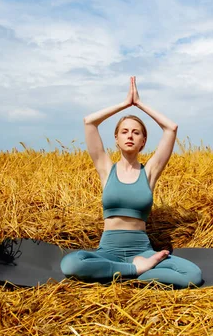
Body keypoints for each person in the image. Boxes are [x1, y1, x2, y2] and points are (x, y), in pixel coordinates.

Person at [60, 77, 203, 288]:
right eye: (124, 132)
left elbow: (171, 128)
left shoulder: (150, 172)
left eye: (136, 133)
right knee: (71, 264)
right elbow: (90, 122)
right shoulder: (106, 169)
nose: (130, 136)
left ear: (143, 141)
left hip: (142, 251)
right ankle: (136, 272)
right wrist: (125, 104)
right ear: (116, 138)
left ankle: (125, 273)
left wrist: (140, 104)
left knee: (192, 274)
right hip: (108, 251)